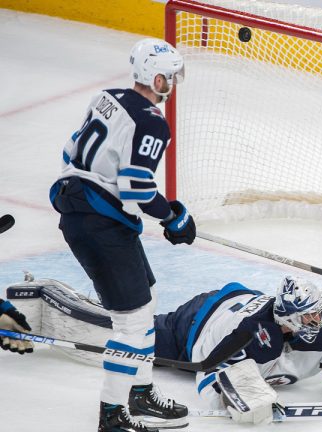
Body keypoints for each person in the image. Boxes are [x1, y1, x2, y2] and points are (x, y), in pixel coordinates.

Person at [49, 38, 196, 432]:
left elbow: (69, 152)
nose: (173, 84)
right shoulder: (151, 121)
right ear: (157, 76)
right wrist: (171, 218)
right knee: (131, 324)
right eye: (171, 77)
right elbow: (135, 187)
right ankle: (112, 416)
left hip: (87, 212)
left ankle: (141, 393)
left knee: (146, 304)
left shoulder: (106, 97)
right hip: (100, 226)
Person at [153, 275, 322, 425]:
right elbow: (207, 373)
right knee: (135, 335)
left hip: (247, 298)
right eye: (307, 316)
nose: (316, 320)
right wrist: (233, 397)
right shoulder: (248, 334)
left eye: (317, 311)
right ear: (288, 318)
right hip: (195, 324)